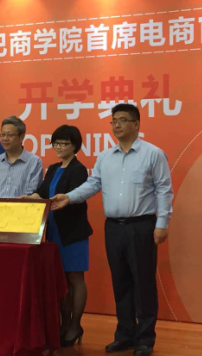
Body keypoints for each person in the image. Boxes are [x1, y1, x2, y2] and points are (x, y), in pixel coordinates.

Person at [51, 104, 173, 356]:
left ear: (136, 124)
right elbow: (93, 184)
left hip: (142, 225)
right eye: (113, 120)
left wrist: (162, 223)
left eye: (123, 120)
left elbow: (164, 190)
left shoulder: (153, 154)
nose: (117, 125)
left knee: (143, 284)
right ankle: (124, 335)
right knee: (121, 283)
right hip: (113, 228)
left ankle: (145, 339)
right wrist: (69, 198)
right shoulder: (105, 156)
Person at [21, 125, 92, 347]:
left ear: (75, 146)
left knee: (75, 278)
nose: (59, 147)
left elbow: (74, 198)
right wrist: (29, 198)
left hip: (72, 232)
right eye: (56, 143)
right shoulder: (52, 168)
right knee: (60, 280)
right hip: (52, 231)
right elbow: (42, 193)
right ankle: (63, 324)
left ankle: (75, 325)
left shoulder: (79, 169)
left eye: (64, 143)